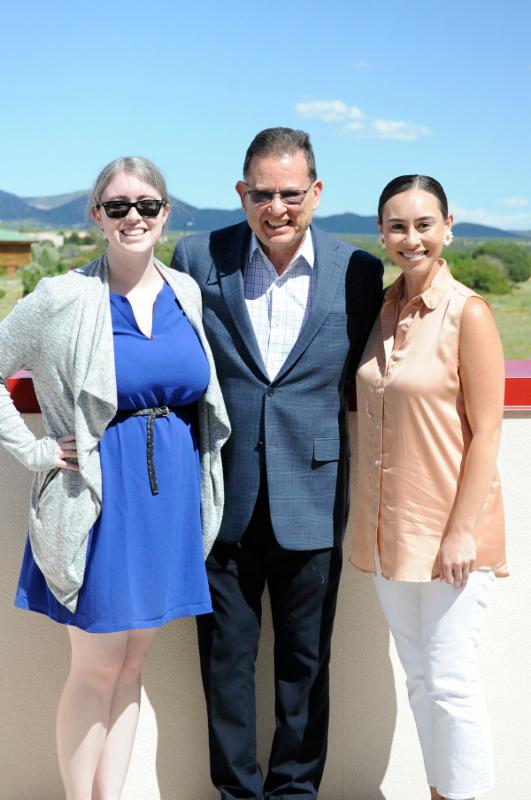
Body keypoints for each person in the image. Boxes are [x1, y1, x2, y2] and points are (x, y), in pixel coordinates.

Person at [0, 156, 230, 800]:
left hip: (169, 499)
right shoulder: (63, 296)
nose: (134, 217)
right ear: (96, 215)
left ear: (166, 212)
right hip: (100, 500)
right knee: (96, 667)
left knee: (132, 666)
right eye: (118, 206)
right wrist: (34, 451)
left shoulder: (185, 292)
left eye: (147, 205)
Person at [171, 127, 383, 799]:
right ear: (242, 193)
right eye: (262, 193)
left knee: (306, 666)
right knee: (224, 666)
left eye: (290, 193)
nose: (276, 208)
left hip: (313, 494)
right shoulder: (197, 256)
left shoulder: (358, 270)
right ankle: (236, 794)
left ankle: (295, 793)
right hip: (222, 496)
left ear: (316, 192)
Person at [349, 174, 508, 800]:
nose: (410, 238)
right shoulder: (382, 310)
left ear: (448, 227)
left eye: (423, 225)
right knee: (419, 678)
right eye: (397, 226)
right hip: (390, 530)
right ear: (381, 232)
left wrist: (461, 532)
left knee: (452, 683)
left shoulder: (468, 312)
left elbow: (488, 432)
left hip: (449, 534)